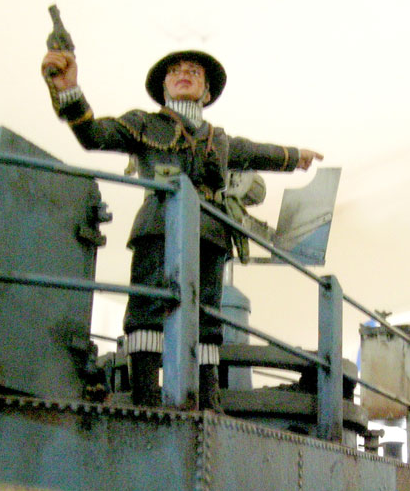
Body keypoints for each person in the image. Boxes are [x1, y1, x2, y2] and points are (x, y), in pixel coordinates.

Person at [41, 47, 322, 409]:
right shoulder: (142, 123)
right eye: (174, 71)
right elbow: (93, 134)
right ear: (164, 88)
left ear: (206, 92)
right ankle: (146, 395)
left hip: (210, 234)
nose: (183, 73)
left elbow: (255, 151)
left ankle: (209, 399)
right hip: (157, 226)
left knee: (208, 315)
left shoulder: (219, 139)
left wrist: (295, 156)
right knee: (146, 308)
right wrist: (69, 90)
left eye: (194, 71)